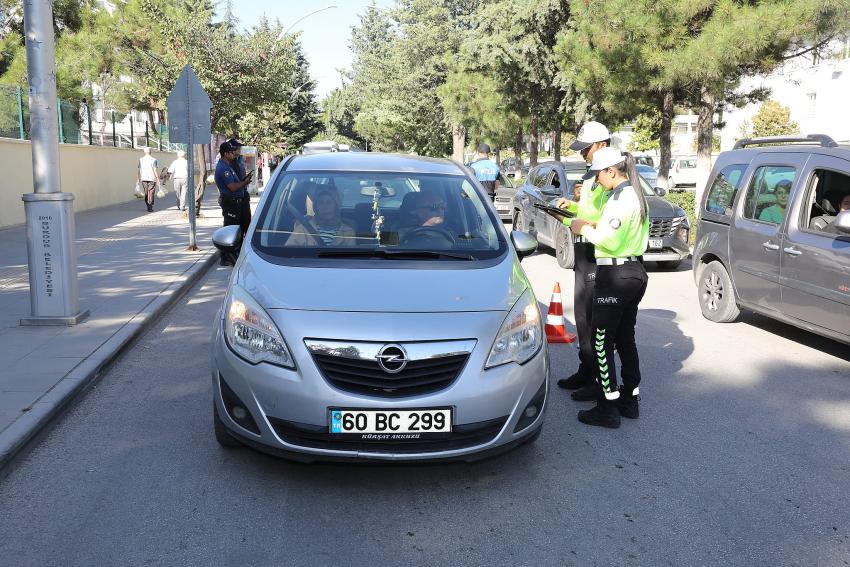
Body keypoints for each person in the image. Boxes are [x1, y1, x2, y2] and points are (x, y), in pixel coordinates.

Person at [568, 148, 650, 428]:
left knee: (602, 343)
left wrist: (582, 228)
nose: (598, 181)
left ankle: (607, 407)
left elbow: (609, 240)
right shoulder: (636, 195)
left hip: (615, 275)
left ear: (611, 171)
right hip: (635, 271)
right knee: (626, 339)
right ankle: (630, 400)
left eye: (599, 175)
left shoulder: (620, 199)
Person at [554, 121, 612, 403]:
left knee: (592, 319)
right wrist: (570, 207)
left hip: (596, 252)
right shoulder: (592, 175)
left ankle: (597, 379)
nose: (582, 154)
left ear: (601, 145)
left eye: (585, 149)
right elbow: (588, 211)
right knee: (581, 317)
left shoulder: (609, 174)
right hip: (583, 252)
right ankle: (585, 369)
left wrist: (578, 220)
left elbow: (607, 219)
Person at [215, 141, 254, 265]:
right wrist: (245, 182)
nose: (234, 154)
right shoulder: (223, 168)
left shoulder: (229, 165)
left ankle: (235, 254)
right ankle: (226, 257)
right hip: (230, 203)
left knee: (238, 229)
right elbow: (232, 187)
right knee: (230, 230)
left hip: (237, 202)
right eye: (232, 152)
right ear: (226, 154)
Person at [285, 187, 355, 247]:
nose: (325, 207)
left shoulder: (348, 232)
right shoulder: (302, 229)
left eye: (329, 202)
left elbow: (351, 259)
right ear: (315, 208)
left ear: (336, 207)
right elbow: (288, 255)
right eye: (320, 203)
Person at [137, 147, 159, 212]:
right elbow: (155, 170)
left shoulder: (141, 159)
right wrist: (157, 178)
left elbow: (139, 170)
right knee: (151, 192)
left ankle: (148, 205)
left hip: (144, 178)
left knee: (146, 192)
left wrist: (138, 179)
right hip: (152, 178)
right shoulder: (154, 159)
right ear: (150, 152)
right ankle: (150, 206)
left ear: (144, 152)